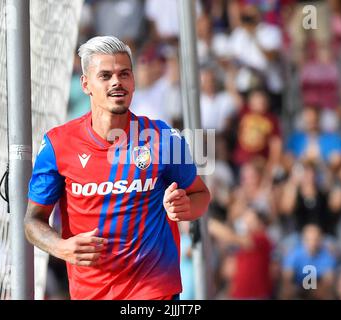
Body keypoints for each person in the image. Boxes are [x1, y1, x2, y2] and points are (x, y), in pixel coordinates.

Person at [24, 36, 211, 300]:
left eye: (124, 73)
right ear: (86, 84)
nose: (117, 82)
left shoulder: (162, 137)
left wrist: (185, 207)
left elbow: (201, 195)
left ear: (133, 81)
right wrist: (62, 247)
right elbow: (32, 221)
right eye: (105, 75)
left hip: (154, 293)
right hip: (91, 293)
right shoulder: (58, 143)